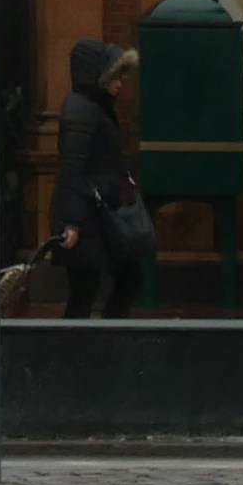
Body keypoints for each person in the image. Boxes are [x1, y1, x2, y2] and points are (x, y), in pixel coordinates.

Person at [50, 39, 148, 319]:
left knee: (115, 280)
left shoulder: (94, 107)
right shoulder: (82, 112)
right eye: (115, 76)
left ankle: (98, 345)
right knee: (88, 288)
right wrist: (70, 223)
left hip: (97, 214)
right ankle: (81, 353)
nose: (120, 84)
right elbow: (71, 168)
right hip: (86, 216)